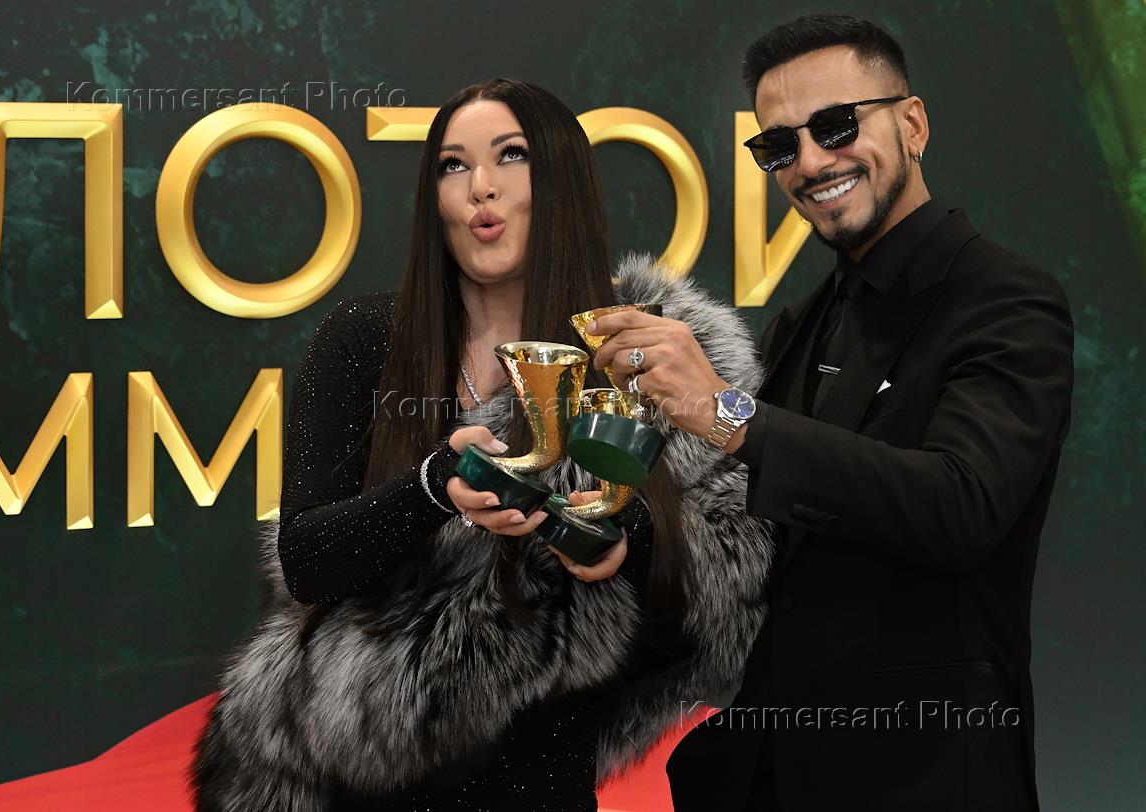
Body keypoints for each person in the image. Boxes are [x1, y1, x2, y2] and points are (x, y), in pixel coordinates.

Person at [189, 78, 772, 810]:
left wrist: (619, 544)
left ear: (562, 181)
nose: (480, 188)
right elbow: (308, 562)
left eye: (511, 156)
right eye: (453, 165)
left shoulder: (641, 352)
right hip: (361, 777)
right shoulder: (365, 339)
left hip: (541, 778)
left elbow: (706, 616)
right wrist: (434, 486)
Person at [586, 14, 1074, 812]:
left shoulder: (1005, 301)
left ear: (912, 124)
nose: (811, 162)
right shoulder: (802, 321)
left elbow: (959, 507)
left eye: (837, 125)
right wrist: (619, 540)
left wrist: (731, 414)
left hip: (926, 776)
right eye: (780, 145)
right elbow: (770, 551)